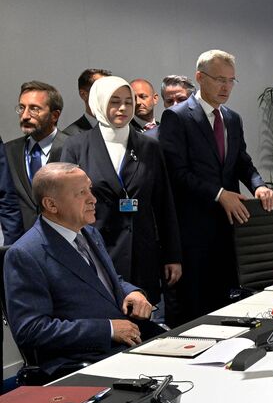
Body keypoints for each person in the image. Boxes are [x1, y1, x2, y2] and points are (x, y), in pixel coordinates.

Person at [3, 163, 162, 375]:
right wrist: (108, 329)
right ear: (51, 204)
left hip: (126, 345)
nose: (93, 198)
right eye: (81, 193)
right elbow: (31, 330)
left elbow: (106, 281)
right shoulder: (25, 254)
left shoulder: (90, 233)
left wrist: (131, 292)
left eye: (90, 189)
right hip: (84, 360)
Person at [159, 49, 273, 323]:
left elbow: (241, 161)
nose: (226, 87)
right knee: (199, 308)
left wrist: (259, 185)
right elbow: (177, 173)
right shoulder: (177, 117)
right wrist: (219, 194)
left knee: (229, 305)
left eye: (231, 80)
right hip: (195, 229)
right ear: (200, 78)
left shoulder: (232, 118)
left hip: (230, 226)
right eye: (219, 79)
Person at [60, 76, 182, 309]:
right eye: (114, 101)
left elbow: (164, 204)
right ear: (99, 103)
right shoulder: (76, 146)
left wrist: (172, 255)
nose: (123, 108)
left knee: (146, 328)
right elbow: (67, 207)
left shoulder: (149, 146)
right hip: (95, 252)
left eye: (129, 101)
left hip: (142, 253)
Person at [1, 81, 67, 244]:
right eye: (21, 108)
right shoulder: (9, 151)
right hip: (22, 246)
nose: (25, 116)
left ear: (55, 115)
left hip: (64, 245)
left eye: (34, 109)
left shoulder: (73, 148)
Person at [62, 68, 112, 136]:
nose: (109, 95)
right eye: (102, 89)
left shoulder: (127, 129)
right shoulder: (69, 136)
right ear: (83, 94)